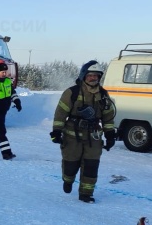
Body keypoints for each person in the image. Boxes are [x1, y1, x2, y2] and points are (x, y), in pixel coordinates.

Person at [50, 60, 117, 203]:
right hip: (72, 136)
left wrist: (110, 134)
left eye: (96, 76)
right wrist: (56, 131)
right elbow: (60, 113)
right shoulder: (72, 92)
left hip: (94, 137)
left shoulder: (104, 94)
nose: (93, 78)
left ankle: (86, 194)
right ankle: (68, 181)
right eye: (90, 75)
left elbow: (108, 116)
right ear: (83, 76)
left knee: (91, 166)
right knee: (70, 165)